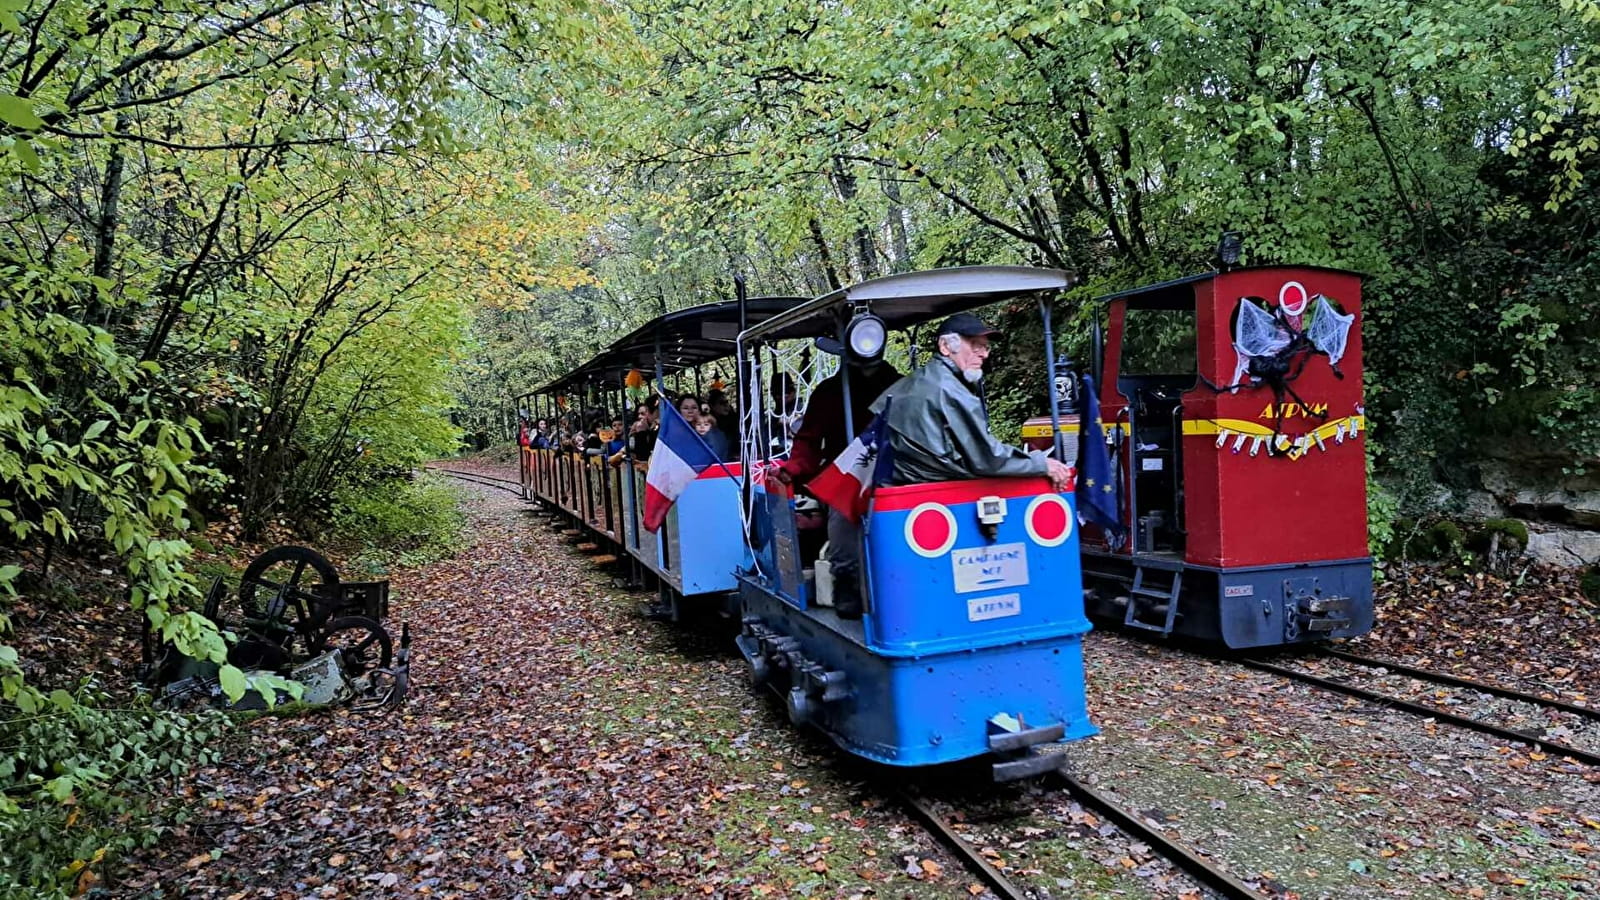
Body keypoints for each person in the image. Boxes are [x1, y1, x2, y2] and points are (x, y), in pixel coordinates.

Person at [876, 312, 1073, 491]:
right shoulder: (949, 389)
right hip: (934, 491)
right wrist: (1041, 464)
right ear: (945, 347)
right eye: (974, 345)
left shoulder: (916, 380)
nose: (984, 354)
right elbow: (987, 458)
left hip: (898, 485)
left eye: (985, 347)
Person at [773, 354, 904, 619]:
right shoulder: (830, 391)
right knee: (842, 526)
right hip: (846, 477)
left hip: (896, 472)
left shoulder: (900, 386)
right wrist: (792, 469)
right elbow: (808, 442)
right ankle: (846, 586)